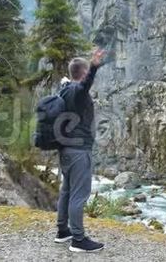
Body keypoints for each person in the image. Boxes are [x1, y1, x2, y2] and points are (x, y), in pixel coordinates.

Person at [53, 49, 106, 253]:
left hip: (66, 150)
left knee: (66, 190)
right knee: (79, 195)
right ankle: (78, 239)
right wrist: (94, 66)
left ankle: (62, 231)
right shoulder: (77, 90)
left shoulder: (64, 90)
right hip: (78, 151)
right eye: (86, 73)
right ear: (82, 73)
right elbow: (85, 87)